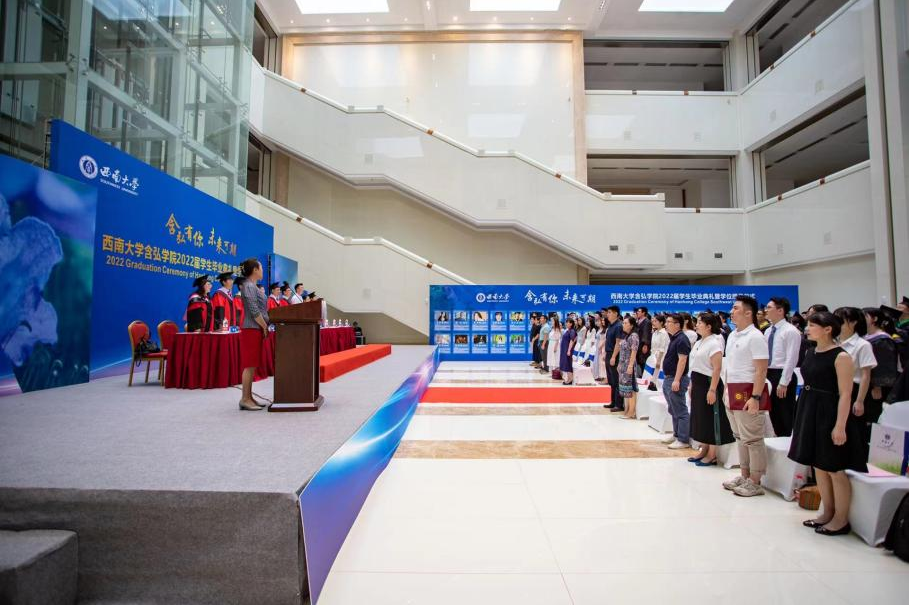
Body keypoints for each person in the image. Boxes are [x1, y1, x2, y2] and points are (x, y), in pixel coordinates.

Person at [789, 312, 865, 535]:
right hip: (809, 408)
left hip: (829, 412)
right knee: (818, 465)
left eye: (813, 325)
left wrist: (840, 425)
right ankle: (827, 511)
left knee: (834, 467)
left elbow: (845, 394)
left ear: (828, 329)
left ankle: (841, 519)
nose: (808, 329)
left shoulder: (841, 356)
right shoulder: (811, 352)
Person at [722, 295, 770, 498]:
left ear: (748, 313)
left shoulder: (756, 337)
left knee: (753, 439)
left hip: (749, 391)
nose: (731, 312)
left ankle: (755, 481)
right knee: (740, 437)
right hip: (731, 390)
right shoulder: (733, 335)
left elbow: (761, 370)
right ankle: (744, 475)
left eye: (736, 308)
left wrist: (756, 397)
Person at [688, 312, 734, 465]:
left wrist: (712, 390)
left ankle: (712, 454)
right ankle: (704, 449)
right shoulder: (699, 342)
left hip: (709, 383)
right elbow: (694, 365)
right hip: (697, 381)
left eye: (700, 323)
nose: (696, 325)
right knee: (700, 417)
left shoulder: (714, 343)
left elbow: (717, 368)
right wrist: (691, 384)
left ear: (708, 326)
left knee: (710, 417)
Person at [834, 307, 877, 458]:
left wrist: (859, 401)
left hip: (854, 390)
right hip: (835, 389)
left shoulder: (862, 345)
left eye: (841, 321)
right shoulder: (834, 342)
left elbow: (866, 375)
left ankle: (857, 461)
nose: (837, 324)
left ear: (853, 322)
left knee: (854, 430)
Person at [764, 297, 801, 437]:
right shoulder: (768, 331)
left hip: (782, 374)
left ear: (780, 311)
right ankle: (777, 439)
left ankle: (785, 441)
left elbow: (792, 358)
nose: (766, 310)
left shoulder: (790, 331)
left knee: (784, 412)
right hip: (768, 374)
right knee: (772, 412)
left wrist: (784, 382)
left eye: (769, 307)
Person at [863, 307, 900, 434]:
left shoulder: (883, 339)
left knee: (876, 417)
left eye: (865, 316)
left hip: (877, 387)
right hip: (867, 383)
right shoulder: (866, 337)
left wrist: (877, 385)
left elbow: (884, 365)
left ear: (874, 319)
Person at [238, 259, 269, 411]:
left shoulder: (252, 285)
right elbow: (253, 310)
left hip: (255, 328)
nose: (262, 270)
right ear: (255, 270)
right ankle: (244, 399)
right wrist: (264, 326)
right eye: (261, 267)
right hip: (251, 328)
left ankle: (249, 397)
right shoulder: (248, 286)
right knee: (249, 365)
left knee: (253, 365)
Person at [662, 314, 692, 449]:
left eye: (669, 322)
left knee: (680, 409)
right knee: (673, 408)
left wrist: (677, 380)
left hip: (676, 378)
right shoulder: (674, 338)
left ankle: (683, 439)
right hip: (669, 377)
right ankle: (676, 434)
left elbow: (682, 360)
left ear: (677, 324)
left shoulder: (682, 339)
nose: (666, 324)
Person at [618, 315, 640, 418]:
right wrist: (620, 364)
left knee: (630, 389)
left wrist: (630, 366)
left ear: (631, 325)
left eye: (626, 323)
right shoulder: (627, 336)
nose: (623, 324)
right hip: (623, 365)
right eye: (623, 323)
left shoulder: (634, 336)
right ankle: (627, 410)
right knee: (625, 389)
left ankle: (632, 412)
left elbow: (634, 351)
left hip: (629, 365)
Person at [605, 306, 623, 410]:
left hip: (614, 354)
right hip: (609, 353)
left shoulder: (618, 326)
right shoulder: (610, 326)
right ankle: (613, 402)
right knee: (611, 380)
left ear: (616, 313)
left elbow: (618, 343)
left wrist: (613, 357)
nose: (607, 314)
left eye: (610, 312)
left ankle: (619, 404)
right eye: (607, 312)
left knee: (616, 380)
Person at [650, 314, 669, 385]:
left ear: (661, 322)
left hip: (661, 357)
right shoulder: (655, 332)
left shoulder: (664, 333)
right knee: (652, 376)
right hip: (653, 356)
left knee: (659, 376)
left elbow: (662, 348)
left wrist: (659, 361)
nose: (653, 323)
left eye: (655, 321)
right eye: (653, 321)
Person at [634, 306, 652, 377]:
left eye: (639, 311)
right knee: (639, 361)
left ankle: (644, 377)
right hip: (638, 344)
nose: (637, 313)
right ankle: (640, 376)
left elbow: (646, 333)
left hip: (643, 345)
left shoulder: (647, 321)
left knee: (643, 361)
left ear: (643, 313)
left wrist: (645, 345)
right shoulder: (638, 321)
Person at [560, 317, 577, 385]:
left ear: (571, 324)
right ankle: (568, 378)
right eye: (566, 322)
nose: (566, 323)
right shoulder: (568, 330)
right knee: (565, 363)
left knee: (568, 364)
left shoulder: (572, 331)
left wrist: (569, 350)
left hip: (568, 349)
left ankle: (570, 379)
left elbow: (572, 341)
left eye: (568, 322)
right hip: (564, 349)